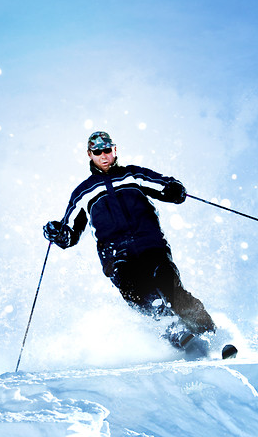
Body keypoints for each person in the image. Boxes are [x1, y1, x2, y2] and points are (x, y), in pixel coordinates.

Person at [43, 131, 216, 350]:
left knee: (171, 289)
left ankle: (210, 335)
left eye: (107, 150)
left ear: (114, 150)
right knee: (137, 292)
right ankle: (173, 329)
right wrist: (58, 233)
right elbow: (70, 234)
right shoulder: (84, 192)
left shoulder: (132, 175)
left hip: (151, 246)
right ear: (90, 154)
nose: (104, 155)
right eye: (98, 152)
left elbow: (165, 187)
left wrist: (175, 189)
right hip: (117, 256)